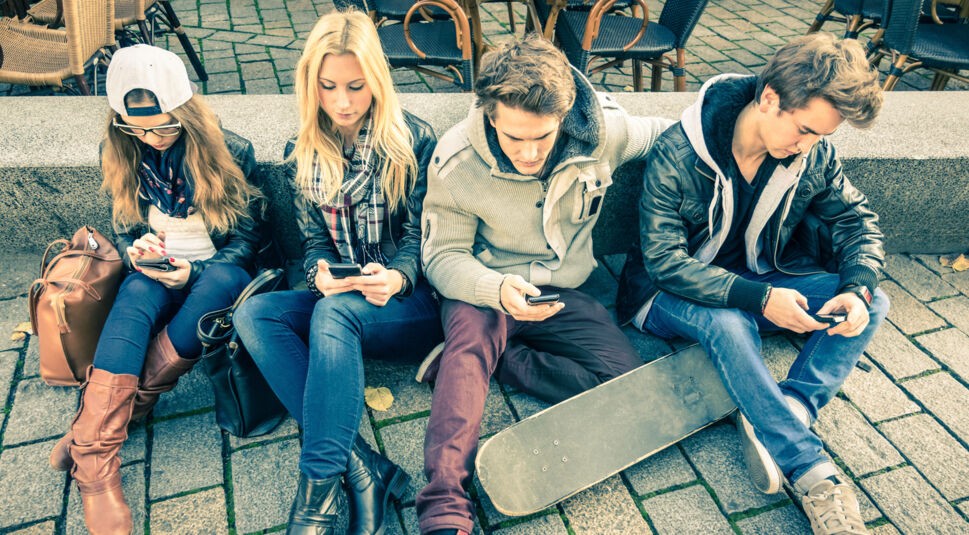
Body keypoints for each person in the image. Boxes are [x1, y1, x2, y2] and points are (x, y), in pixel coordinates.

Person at [616, 33, 888, 535]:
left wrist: (856, 285)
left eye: (820, 137)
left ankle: (793, 407)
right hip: (664, 294)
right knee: (730, 322)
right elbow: (662, 261)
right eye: (806, 130)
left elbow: (856, 220)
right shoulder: (680, 152)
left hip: (759, 277)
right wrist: (761, 298)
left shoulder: (812, 154)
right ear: (769, 99)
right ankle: (811, 471)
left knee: (873, 300)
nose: (808, 145)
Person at [415, 34, 672, 535]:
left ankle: (499, 361)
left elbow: (670, 135)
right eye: (515, 138)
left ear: (565, 114)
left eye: (543, 137)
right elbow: (441, 257)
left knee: (626, 389)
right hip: (484, 288)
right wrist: (495, 290)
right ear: (491, 115)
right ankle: (443, 503)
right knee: (469, 349)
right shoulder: (455, 161)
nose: (530, 152)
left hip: (563, 292)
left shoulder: (603, 132)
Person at [232, 10, 442, 535]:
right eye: (328, 86)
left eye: (356, 85)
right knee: (256, 314)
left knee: (331, 316)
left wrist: (395, 277)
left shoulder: (414, 140)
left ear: (377, 79)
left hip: (410, 305)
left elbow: (425, 236)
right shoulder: (303, 150)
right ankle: (363, 465)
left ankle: (318, 491)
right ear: (311, 84)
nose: (343, 102)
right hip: (344, 303)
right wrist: (318, 274)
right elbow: (314, 241)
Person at [47, 44, 263, 534]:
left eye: (163, 126)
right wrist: (136, 250)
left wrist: (191, 275)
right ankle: (97, 466)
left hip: (214, 272)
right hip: (158, 266)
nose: (151, 137)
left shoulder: (231, 150)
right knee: (136, 294)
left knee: (224, 281)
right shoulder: (119, 148)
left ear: (185, 112)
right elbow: (123, 227)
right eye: (136, 127)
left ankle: (91, 432)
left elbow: (249, 240)